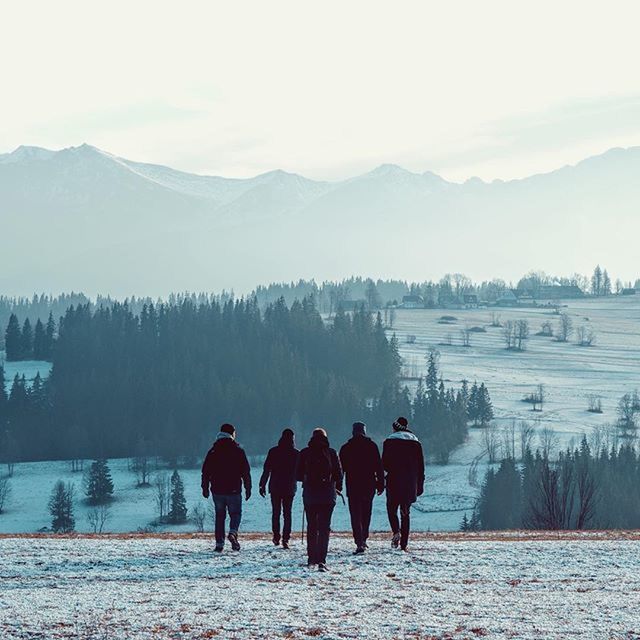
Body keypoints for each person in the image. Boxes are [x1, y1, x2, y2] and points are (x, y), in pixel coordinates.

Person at [296, 427, 343, 572]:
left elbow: (297, 475)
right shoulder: (331, 453)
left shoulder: (304, 453)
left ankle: (311, 559)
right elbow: (339, 474)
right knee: (324, 528)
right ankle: (322, 560)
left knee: (312, 527)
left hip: (310, 495)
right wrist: (337, 488)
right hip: (328, 495)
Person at [201, 423, 252, 553]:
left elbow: (206, 471)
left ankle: (219, 544)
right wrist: (248, 487)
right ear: (232, 433)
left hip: (217, 490)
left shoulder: (213, 451)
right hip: (234, 489)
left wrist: (205, 487)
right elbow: (245, 471)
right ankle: (233, 533)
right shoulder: (238, 450)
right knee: (235, 513)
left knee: (219, 516)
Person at [339, 421, 384, 554]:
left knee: (355, 514)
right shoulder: (372, 446)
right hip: (369, 485)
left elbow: (341, 470)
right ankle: (364, 538)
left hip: (353, 485)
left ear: (353, 431)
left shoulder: (346, 447)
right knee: (366, 513)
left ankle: (359, 541)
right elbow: (379, 467)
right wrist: (381, 483)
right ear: (364, 431)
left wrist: (338, 485)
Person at [382, 416, 424, 551]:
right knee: (405, 512)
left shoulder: (389, 442)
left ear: (395, 428)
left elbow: (385, 464)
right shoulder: (416, 444)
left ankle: (396, 531)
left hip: (393, 481)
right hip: (410, 483)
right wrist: (420, 484)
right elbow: (421, 467)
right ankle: (404, 544)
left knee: (391, 508)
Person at [259, 428, 299, 549]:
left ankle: (276, 536)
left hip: (275, 486)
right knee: (288, 513)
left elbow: (266, 470)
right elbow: (301, 471)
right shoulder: (296, 453)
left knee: (276, 513)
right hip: (289, 486)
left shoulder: (273, 451)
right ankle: (286, 539)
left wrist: (262, 484)